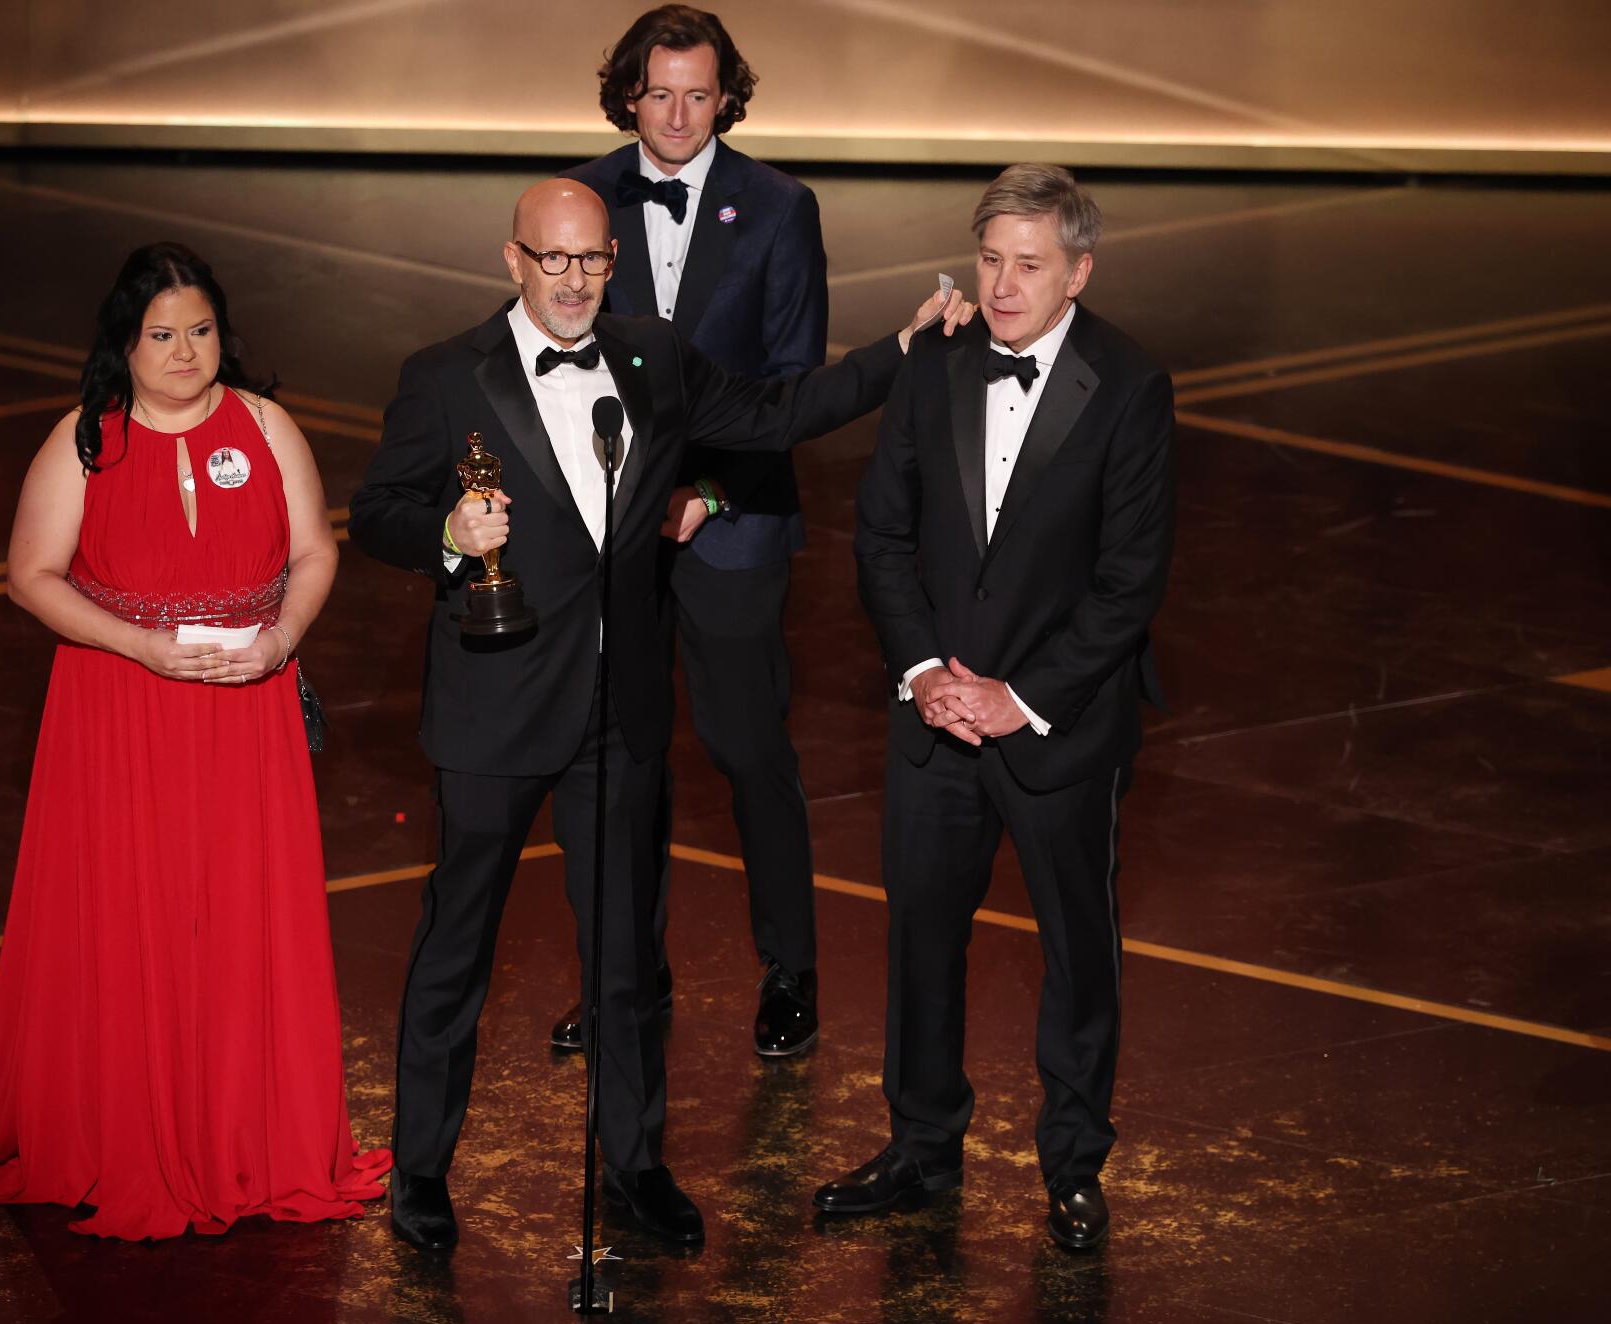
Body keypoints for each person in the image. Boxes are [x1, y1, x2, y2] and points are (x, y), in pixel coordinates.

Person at [349, 180, 945, 1253]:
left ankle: (632, 1164)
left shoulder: (652, 356)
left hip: (615, 714)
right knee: (455, 955)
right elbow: (378, 515)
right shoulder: (441, 377)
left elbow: (772, 414)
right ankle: (422, 1170)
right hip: (490, 713)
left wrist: (895, 352)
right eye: (552, 260)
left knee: (624, 960)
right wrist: (445, 529)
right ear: (511, 259)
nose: (573, 281)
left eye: (591, 261)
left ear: (610, 260)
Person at [0, 242, 390, 1240]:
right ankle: (119, 1127)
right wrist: (143, 647)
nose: (184, 353)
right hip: (116, 711)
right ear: (123, 343)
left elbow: (316, 552)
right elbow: (31, 576)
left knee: (238, 913)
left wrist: (280, 640)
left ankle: (247, 1134)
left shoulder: (268, 426)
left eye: (200, 331)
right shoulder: (83, 441)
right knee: (121, 911)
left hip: (246, 709)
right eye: (161, 335)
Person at [819, 165, 1175, 1252]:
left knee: (1077, 948)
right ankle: (921, 1145)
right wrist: (926, 672)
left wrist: (1018, 699)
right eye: (989, 261)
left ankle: (1071, 1162)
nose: (1003, 284)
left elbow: (1129, 583)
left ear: (1077, 269)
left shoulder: (1127, 383)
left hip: (1055, 726)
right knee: (920, 938)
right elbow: (879, 533)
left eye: (1028, 265)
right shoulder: (932, 364)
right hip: (934, 715)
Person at [555, 4, 830, 1058]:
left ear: (727, 98)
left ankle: (789, 971)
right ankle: (627, 977)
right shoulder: (577, 197)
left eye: (697, 94)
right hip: (611, 531)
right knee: (617, 757)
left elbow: (790, 389)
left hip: (731, 527)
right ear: (628, 92)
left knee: (747, 748)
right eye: (656, 91)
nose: (675, 114)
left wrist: (705, 495)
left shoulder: (776, 208)